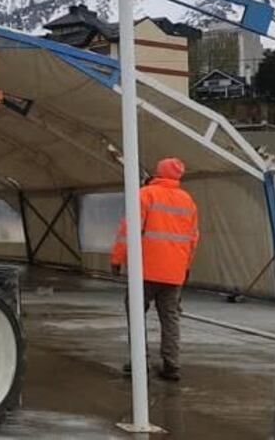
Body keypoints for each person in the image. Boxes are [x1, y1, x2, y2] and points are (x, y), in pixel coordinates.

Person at [111, 157, 199, 382]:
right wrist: (186, 266)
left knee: (136, 312)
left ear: (158, 172)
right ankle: (172, 364)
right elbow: (193, 238)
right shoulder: (187, 201)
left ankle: (139, 361)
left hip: (146, 270)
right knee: (170, 318)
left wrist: (117, 259)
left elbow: (128, 230)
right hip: (174, 272)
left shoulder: (145, 195)